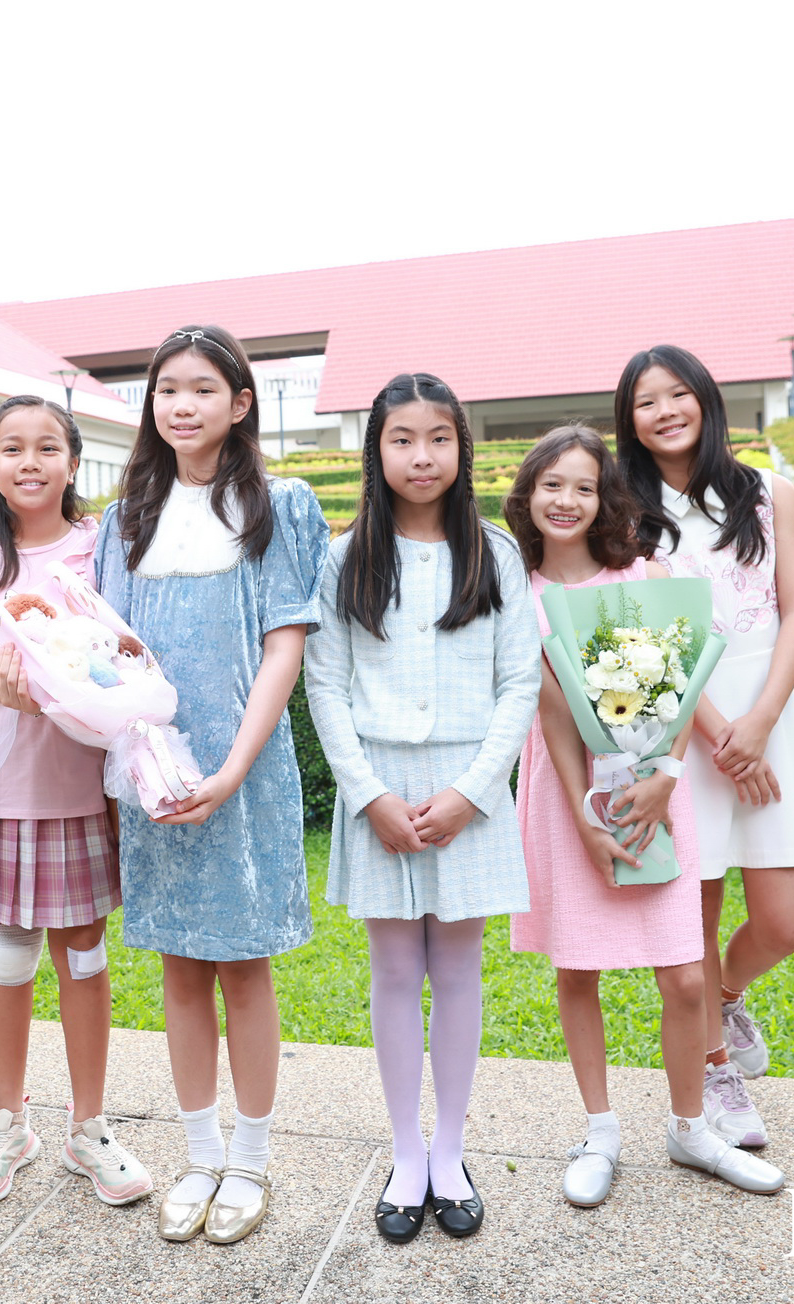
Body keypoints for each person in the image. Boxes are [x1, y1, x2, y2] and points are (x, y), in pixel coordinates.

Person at [86, 325, 327, 1245]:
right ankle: (197, 1155)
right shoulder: (125, 518)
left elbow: (285, 646)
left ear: (241, 402)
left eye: (200, 389)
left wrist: (231, 769)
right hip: (151, 776)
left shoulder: (281, 503)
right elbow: (109, 650)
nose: (180, 406)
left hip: (242, 773)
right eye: (165, 391)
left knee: (243, 965)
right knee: (179, 967)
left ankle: (252, 1162)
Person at [503, 425, 784, 1205]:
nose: (568, 500)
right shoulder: (516, 589)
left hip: (659, 792)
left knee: (686, 978)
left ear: (605, 498)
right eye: (552, 485)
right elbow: (550, 713)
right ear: (528, 494)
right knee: (578, 968)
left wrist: (664, 776)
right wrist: (585, 814)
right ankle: (599, 1131)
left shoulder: (644, 574)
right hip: (567, 801)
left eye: (585, 486)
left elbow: (683, 689)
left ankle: (691, 1129)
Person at [303, 374, 536, 1243]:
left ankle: (450, 1149)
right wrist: (367, 796)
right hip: (380, 797)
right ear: (377, 449)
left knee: (459, 971)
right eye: (402, 439)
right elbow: (323, 684)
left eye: (439, 438)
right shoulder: (345, 557)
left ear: (461, 448)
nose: (422, 456)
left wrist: (473, 793)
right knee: (396, 972)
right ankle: (406, 1153)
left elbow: (519, 683)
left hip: (468, 791)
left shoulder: (496, 553)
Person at [614, 345, 794, 1149]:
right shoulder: (625, 511)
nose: (665, 410)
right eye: (647, 402)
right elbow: (651, 642)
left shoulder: (769, 494)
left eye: (678, 393)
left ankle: (727, 996)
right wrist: (717, 734)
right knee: (697, 912)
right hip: (688, 725)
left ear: (706, 400)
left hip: (774, 714)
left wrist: (759, 725)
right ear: (631, 422)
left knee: (784, 922)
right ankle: (715, 1070)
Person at [0, 396, 150, 1209]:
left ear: (73, 462)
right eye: (11, 448)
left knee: (84, 955)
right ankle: (6, 1121)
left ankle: (89, 1127)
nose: (29, 461)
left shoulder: (104, 549)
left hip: (82, 791)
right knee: (7, 956)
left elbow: (131, 656)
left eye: (46, 447)